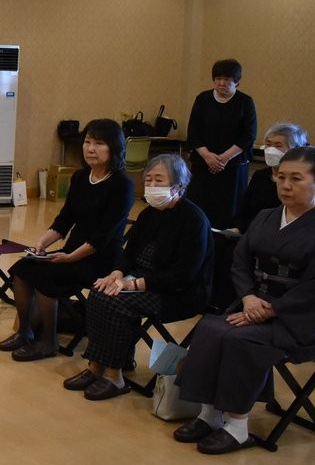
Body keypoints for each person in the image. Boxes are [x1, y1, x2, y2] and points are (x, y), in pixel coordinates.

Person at [172, 146, 315, 455]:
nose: (286, 185)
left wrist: (271, 309)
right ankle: (209, 415)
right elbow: (241, 261)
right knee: (210, 329)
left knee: (240, 340)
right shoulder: (266, 216)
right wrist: (249, 297)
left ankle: (238, 426)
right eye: (281, 177)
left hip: (300, 319)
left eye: (296, 178)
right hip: (255, 304)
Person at [64, 154, 209, 400]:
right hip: (141, 278)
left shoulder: (194, 220)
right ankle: (96, 366)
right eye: (148, 180)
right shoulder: (149, 214)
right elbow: (127, 253)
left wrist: (133, 284)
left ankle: (114, 376)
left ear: (179, 186)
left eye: (159, 180)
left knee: (117, 302)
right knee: (99, 292)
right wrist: (117, 273)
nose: (151, 185)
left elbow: (183, 275)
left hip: (176, 291)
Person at [0, 118, 134, 362]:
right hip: (73, 250)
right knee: (22, 269)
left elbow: (103, 236)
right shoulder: (81, 177)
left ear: (114, 148)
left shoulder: (122, 185)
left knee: (49, 277)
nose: (90, 148)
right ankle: (25, 331)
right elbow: (65, 219)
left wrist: (70, 258)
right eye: (87, 142)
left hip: (100, 259)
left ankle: (48, 341)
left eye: (99, 143)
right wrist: (43, 243)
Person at [185, 59, 257, 229]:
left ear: (237, 82)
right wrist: (207, 156)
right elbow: (194, 131)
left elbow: (248, 135)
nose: (221, 83)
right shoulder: (202, 99)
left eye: (227, 79)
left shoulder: (245, 102)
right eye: (218, 79)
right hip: (203, 162)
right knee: (199, 204)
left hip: (232, 164)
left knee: (228, 208)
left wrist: (223, 158)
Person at [229, 121, 308, 233]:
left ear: (294, 150)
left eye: (278, 146)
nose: (271, 150)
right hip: (251, 233)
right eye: (268, 144)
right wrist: (238, 228)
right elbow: (244, 210)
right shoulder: (260, 176)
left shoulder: (299, 181)